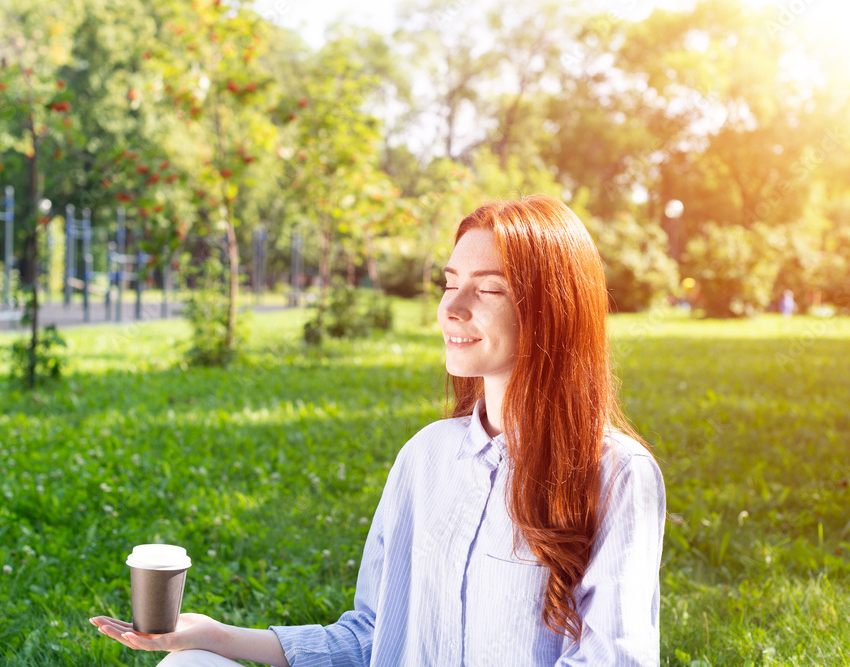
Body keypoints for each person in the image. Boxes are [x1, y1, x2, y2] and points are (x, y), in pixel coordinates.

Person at [91, 194, 667, 666]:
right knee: (191, 665)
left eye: (488, 289)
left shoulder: (616, 474)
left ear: (551, 309)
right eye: (450, 283)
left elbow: (612, 660)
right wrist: (214, 635)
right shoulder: (425, 458)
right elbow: (370, 634)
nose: (453, 307)